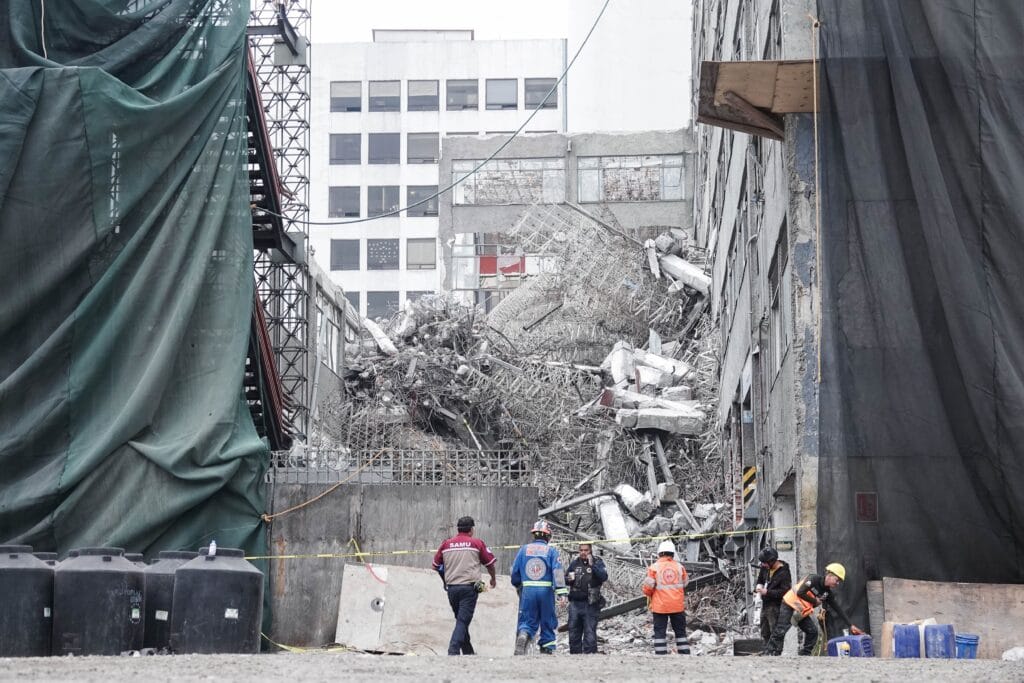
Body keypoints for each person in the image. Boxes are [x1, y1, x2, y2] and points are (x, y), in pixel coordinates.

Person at [763, 562, 864, 656]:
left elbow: (837, 608)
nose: (837, 584)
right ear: (830, 575)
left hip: (801, 610)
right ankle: (770, 653)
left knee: (812, 632)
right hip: (790, 603)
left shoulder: (827, 593)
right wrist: (815, 601)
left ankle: (804, 656)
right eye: (837, 580)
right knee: (781, 630)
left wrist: (850, 625)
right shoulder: (813, 579)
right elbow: (800, 592)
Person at [432, 516, 497, 656]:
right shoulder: (476, 543)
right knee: (463, 621)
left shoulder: (446, 544)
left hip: (452, 589)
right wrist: (493, 579)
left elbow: (436, 566)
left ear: (458, 529)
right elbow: (490, 564)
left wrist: (445, 581)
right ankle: (453, 650)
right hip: (470, 587)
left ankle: (468, 652)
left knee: (462, 620)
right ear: (471, 529)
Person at [510, 520, 568, 654]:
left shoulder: (523, 550)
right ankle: (547, 648)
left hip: (528, 591)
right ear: (548, 536)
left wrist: (519, 585)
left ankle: (524, 634)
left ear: (534, 535)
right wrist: (562, 593)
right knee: (548, 620)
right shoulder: (551, 551)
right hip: (546, 591)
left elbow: (515, 573)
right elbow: (557, 572)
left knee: (527, 619)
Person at [642, 540, 690, 655]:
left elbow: (648, 588)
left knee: (659, 632)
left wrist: (647, 592)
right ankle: (685, 654)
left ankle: (661, 656)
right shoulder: (679, 567)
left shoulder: (654, 568)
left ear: (660, 553)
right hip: (677, 606)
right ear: (673, 554)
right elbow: (685, 583)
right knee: (680, 632)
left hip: (660, 607)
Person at [565, 542, 608, 654]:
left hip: (590, 604)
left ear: (590, 551)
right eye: (581, 550)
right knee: (573, 633)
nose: (583, 552)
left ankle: (590, 659)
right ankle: (575, 657)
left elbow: (603, 577)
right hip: (575, 603)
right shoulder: (574, 563)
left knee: (590, 634)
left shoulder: (598, 562)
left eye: (586, 550)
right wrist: (569, 579)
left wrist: (592, 565)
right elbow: (565, 579)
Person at [751, 547, 792, 646]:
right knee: (764, 630)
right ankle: (766, 651)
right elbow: (760, 580)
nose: (763, 565)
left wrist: (767, 592)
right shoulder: (765, 568)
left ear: (771, 561)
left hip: (776, 606)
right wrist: (758, 587)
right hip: (764, 604)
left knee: (774, 631)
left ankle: (775, 652)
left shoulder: (784, 572)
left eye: (764, 563)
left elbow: (785, 591)